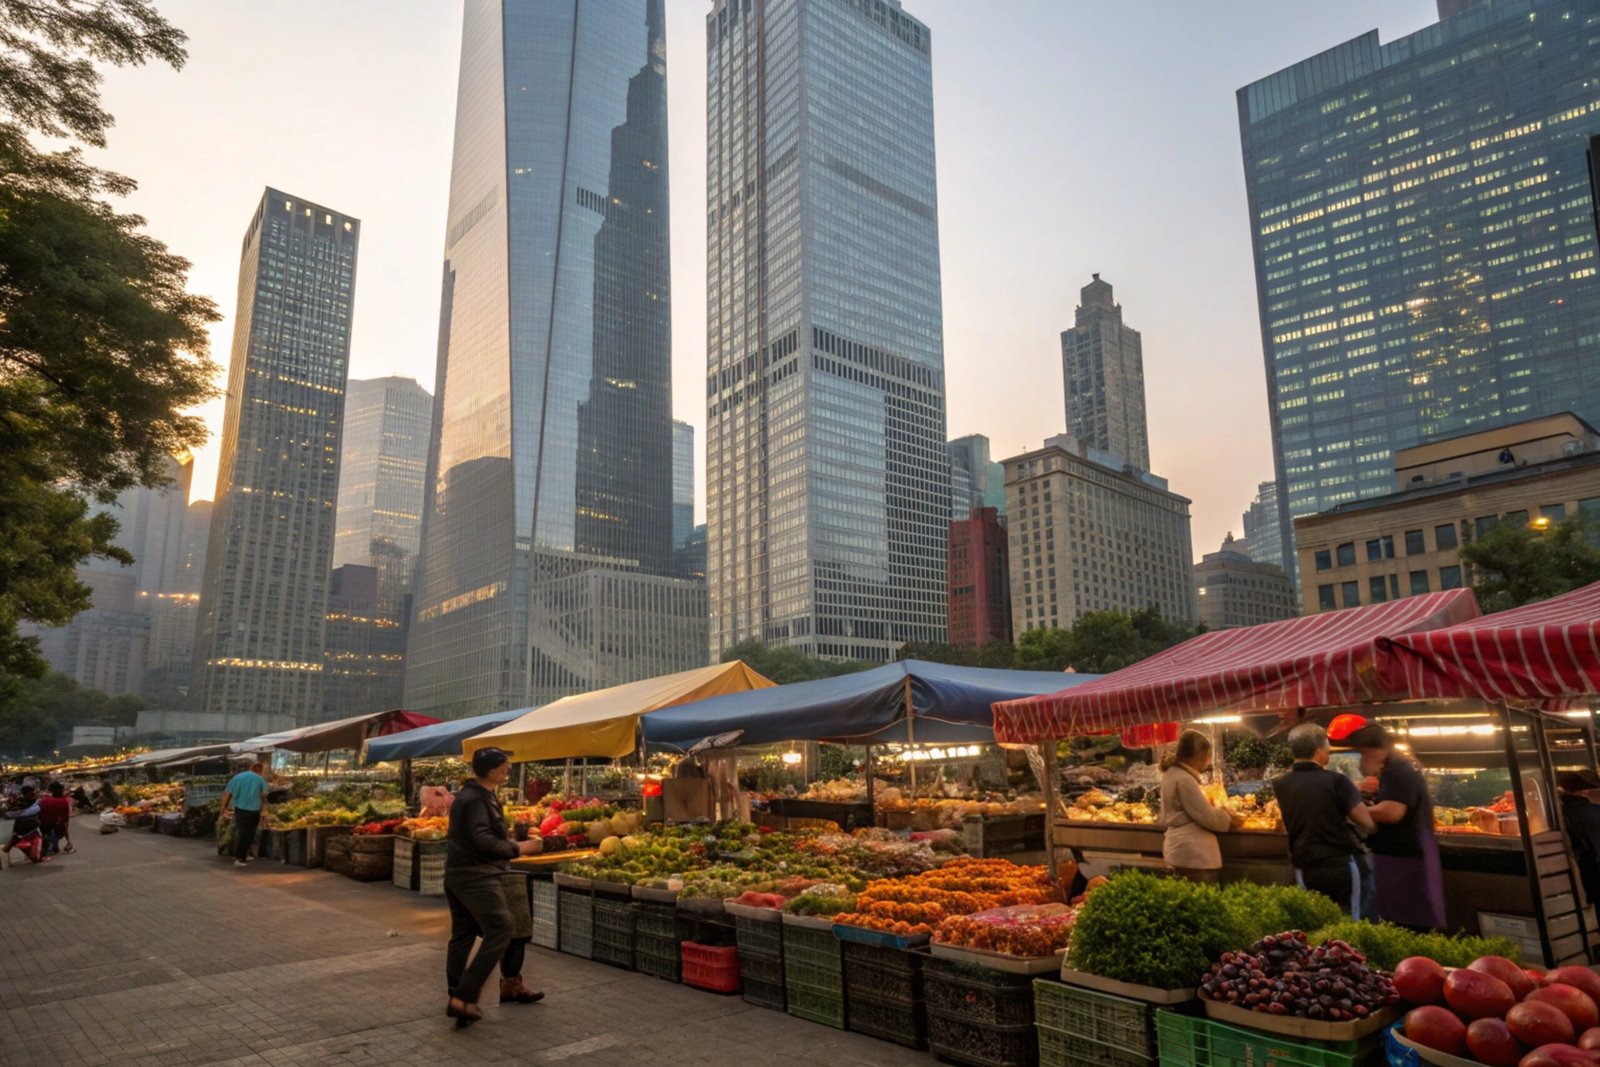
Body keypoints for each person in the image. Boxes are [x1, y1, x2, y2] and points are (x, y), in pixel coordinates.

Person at [444, 747, 543, 1028]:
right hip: (477, 875)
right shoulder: (475, 798)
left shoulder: (477, 795)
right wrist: (519, 847)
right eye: (504, 765)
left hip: (460, 873)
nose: (508, 769)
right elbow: (482, 840)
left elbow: (481, 835)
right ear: (490, 770)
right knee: (501, 929)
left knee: (463, 935)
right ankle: (463, 997)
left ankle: (457, 994)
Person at [1347, 723, 1446, 930]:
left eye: (1361, 754)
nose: (1361, 762)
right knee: (1400, 918)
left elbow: (1392, 812)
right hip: (1406, 856)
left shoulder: (1397, 771)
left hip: (1404, 859)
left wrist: (1352, 810)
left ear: (1371, 751)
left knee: (1404, 922)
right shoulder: (1398, 768)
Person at [1273, 723, 1374, 914]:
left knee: (1313, 919)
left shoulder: (1280, 783)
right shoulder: (1337, 781)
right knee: (1347, 921)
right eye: (1328, 749)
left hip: (1303, 866)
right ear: (1319, 751)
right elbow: (1367, 821)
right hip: (1339, 865)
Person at [1159, 729, 1239, 882]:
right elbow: (1205, 816)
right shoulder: (1184, 779)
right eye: (1208, 756)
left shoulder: (1173, 774)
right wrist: (1228, 818)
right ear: (1200, 754)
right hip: (1192, 854)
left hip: (1182, 849)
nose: (1208, 762)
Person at [220, 761, 270, 869]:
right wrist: (264, 810)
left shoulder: (237, 778)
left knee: (242, 833)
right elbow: (264, 795)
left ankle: (243, 855)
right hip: (254, 810)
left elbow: (227, 794)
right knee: (249, 834)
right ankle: (240, 858)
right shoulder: (260, 779)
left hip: (240, 809)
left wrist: (223, 810)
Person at [3, 785, 50, 864]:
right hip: (26, 828)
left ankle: (36, 854)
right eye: (31, 792)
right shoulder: (22, 803)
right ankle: (37, 855)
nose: (33, 793)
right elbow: (10, 814)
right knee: (34, 842)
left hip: (27, 827)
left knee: (38, 840)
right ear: (27, 793)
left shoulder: (28, 802)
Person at [38, 781, 74, 856]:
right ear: (61, 790)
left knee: (49, 832)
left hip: (44, 826)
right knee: (59, 830)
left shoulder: (44, 800)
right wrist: (67, 838)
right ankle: (52, 844)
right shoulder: (63, 801)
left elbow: (40, 815)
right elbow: (65, 820)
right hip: (56, 826)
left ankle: (51, 845)